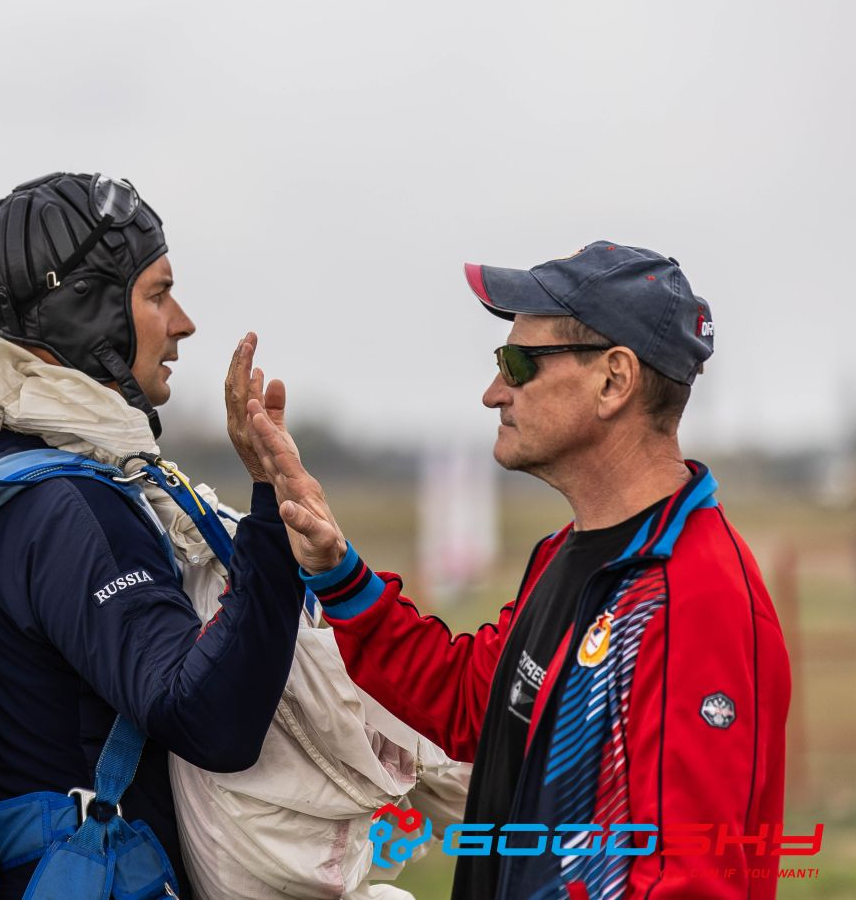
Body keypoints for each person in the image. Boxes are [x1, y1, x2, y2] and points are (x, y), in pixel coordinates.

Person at [0, 172, 461, 899]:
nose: (183, 322)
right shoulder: (70, 509)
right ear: (88, 310)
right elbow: (212, 719)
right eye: (157, 294)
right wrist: (270, 519)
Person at [236, 242, 792, 899]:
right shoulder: (568, 553)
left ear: (614, 380)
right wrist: (334, 571)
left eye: (518, 362)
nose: (492, 391)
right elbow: (477, 703)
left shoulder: (696, 599)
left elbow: (691, 881)